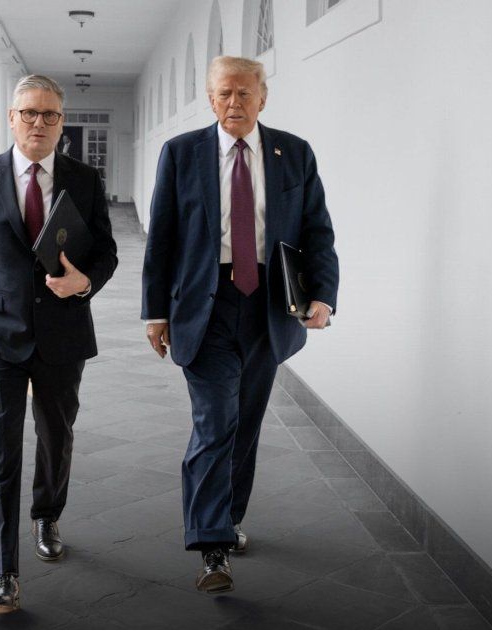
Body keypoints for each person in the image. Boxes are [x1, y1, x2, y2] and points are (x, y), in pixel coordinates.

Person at [141, 56, 338, 594]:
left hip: (268, 305)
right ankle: (211, 546)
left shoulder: (293, 153)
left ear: (262, 98)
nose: (234, 103)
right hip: (205, 304)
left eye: (244, 94)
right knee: (215, 419)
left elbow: (318, 230)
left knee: (245, 422)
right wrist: (155, 311)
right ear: (209, 98)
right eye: (224, 93)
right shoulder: (181, 154)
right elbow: (161, 239)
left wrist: (323, 294)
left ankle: (228, 519)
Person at [0, 74, 117, 614]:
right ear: (11, 117)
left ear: (62, 123)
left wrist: (82, 282)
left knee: (56, 436)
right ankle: (3, 574)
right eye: (30, 113)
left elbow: (107, 250)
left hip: (62, 334)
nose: (39, 123)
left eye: (50, 115)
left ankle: (47, 515)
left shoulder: (85, 179)